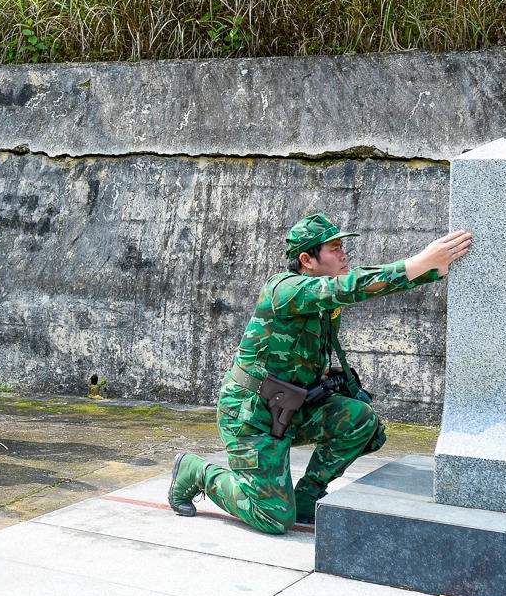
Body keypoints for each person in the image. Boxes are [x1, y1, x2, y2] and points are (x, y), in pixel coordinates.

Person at [168, 214, 473, 533]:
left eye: (343, 247)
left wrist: (435, 269)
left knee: (360, 420)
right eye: (334, 248)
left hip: (290, 410)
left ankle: (305, 499)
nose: (344, 254)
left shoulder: (324, 300)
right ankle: (196, 471)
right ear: (306, 260)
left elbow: (350, 287)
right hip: (250, 417)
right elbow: (353, 286)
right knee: (272, 518)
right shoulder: (285, 290)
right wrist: (420, 261)